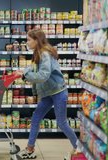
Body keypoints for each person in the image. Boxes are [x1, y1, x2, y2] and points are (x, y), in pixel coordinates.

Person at [15, 29, 78, 159]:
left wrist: (25, 75)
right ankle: (30, 149)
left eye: (28, 40)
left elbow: (43, 75)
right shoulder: (38, 52)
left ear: (36, 40)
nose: (27, 42)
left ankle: (78, 147)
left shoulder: (44, 53)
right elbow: (34, 69)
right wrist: (23, 71)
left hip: (58, 92)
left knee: (62, 122)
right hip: (48, 93)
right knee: (36, 118)